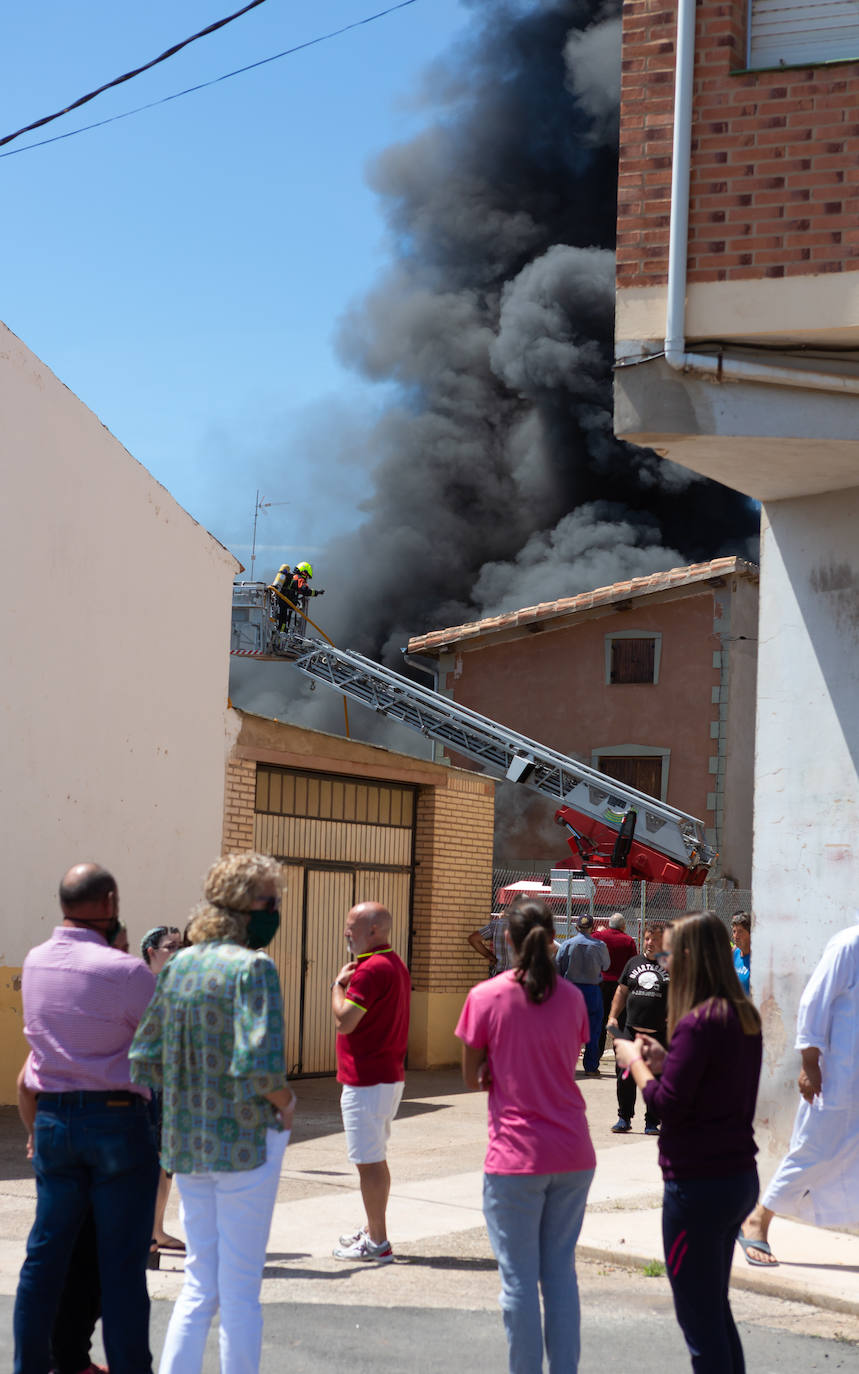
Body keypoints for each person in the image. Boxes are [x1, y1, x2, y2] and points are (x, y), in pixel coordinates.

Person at [130, 852, 295, 1374]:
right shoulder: (254, 967)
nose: (276, 910)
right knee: (242, 1289)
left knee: (200, 1283)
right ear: (249, 907)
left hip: (187, 1141)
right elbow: (260, 1066)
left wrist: (185, 1092)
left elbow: (143, 1056)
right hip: (246, 1142)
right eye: (272, 900)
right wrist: (286, 1106)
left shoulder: (179, 964)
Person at [14, 863, 159, 1374]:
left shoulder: (34, 962)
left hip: (53, 1120)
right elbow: (160, 1047)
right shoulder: (126, 972)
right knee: (120, 1268)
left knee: (45, 1258)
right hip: (116, 1122)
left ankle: (32, 1365)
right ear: (108, 904)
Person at [614, 911, 762, 1374]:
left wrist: (635, 1063)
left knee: (699, 1320)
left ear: (693, 957)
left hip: (698, 1183)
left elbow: (671, 1106)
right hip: (736, 1176)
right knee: (715, 1309)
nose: (664, 960)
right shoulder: (741, 1014)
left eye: (671, 952)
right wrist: (668, 1059)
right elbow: (710, 1082)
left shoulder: (699, 1022)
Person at [456, 897, 596, 1373]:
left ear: (508, 940)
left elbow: (470, 1075)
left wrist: (494, 1069)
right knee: (560, 1275)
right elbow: (566, 1055)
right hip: (573, 1152)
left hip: (515, 1157)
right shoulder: (574, 997)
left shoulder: (486, 997)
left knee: (518, 1282)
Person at [739, 919, 859, 1267]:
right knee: (812, 1149)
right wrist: (809, 1062)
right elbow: (813, 1001)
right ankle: (757, 1220)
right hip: (837, 1076)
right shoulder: (849, 944)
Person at [330, 901, 411, 1263]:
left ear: (374, 931)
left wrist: (336, 986)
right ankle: (372, 1228)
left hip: (367, 1081)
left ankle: (378, 1242)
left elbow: (345, 1021)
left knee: (369, 1162)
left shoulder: (370, 970)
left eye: (352, 927)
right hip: (385, 1078)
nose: (347, 933)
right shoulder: (392, 963)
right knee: (375, 1159)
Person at [140, 926, 185, 1255]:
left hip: (171, 1086)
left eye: (181, 946)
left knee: (164, 1164)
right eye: (171, 947)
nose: (179, 952)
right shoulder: (145, 988)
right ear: (151, 952)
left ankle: (155, 1230)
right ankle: (149, 1234)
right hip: (152, 1087)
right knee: (154, 1161)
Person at [606, 922, 670, 1135]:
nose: (650, 943)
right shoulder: (633, 963)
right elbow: (621, 992)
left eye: (655, 939)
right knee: (625, 1074)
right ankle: (624, 1117)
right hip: (631, 1030)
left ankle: (652, 1121)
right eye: (648, 938)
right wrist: (613, 1017)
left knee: (657, 1078)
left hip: (659, 1033)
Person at [555, 912, 610, 1076]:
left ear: (577, 926)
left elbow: (558, 966)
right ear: (592, 927)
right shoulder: (600, 945)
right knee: (594, 1029)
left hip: (571, 990)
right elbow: (606, 966)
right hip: (592, 989)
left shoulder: (567, 944)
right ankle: (591, 1067)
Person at [594, 912, 637, 1056]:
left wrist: (598, 931)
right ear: (623, 926)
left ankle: (596, 1056)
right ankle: (620, 1056)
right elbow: (632, 963)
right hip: (620, 986)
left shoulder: (600, 936)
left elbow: (591, 938)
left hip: (601, 983)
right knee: (619, 1020)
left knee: (600, 1020)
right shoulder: (628, 940)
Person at [467, 910, 512, 976]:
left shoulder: (496, 925)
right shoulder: (529, 924)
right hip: (524, 975)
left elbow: (473, 939)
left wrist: (490, 956)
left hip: (501, 975)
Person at [731, 912, 751, 995]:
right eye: (734, 931)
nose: (736, 936)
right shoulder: (735, 953)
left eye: (740, 931)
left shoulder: (758, 959)